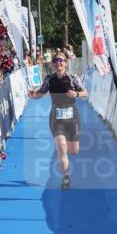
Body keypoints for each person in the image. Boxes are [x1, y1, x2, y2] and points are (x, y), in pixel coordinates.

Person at [29, 53, 88, 188]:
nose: (58, 63)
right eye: (55, 61)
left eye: (61, 61)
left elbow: (85, 93)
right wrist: (33, 95)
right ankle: (65, 177)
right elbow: (40, 93)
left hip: (72, 116)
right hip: (56, 116)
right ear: (53, 64)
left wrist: (77, 94)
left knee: (74, 150)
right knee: (61, 147)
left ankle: (69, 144)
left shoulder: (73, 78)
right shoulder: (49, 79)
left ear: (65, 63)